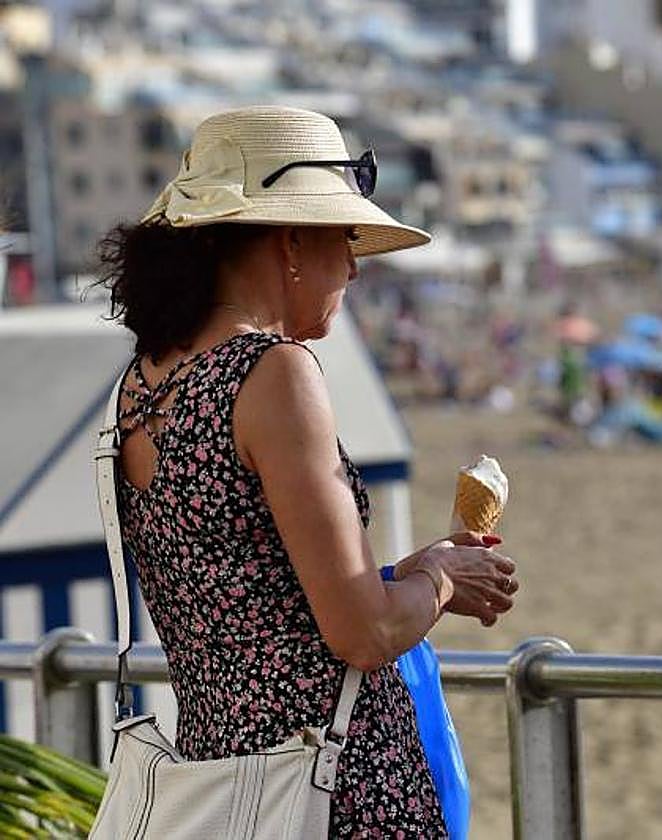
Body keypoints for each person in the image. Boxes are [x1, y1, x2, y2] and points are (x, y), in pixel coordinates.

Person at [95, 106, 518, 837]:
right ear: (291, 242)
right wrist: (444, 580)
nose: (354, 266)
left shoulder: (139, 386)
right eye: (346, 238)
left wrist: (413, 568)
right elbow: (362, 634)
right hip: (335, 795)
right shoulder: (273, 374)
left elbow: (249, 596)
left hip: (219, 790)